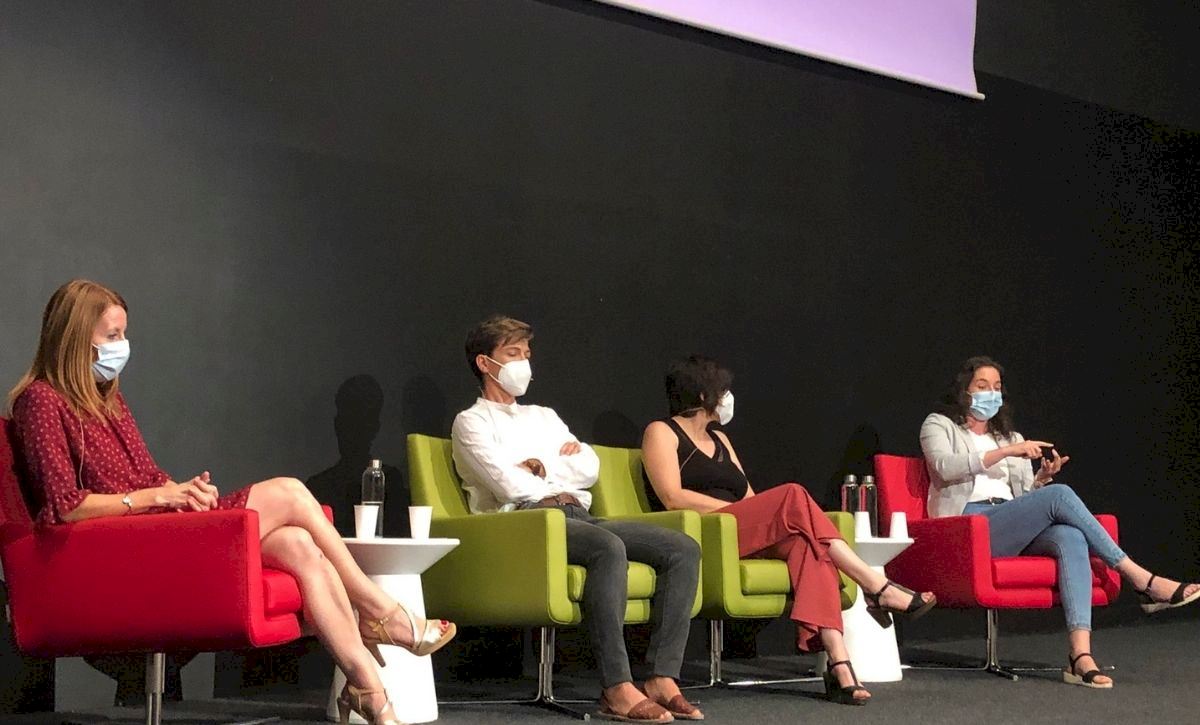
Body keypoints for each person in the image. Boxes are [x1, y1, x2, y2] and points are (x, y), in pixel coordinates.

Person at [9, 280, 455, 725]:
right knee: (290, 491)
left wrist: (183, 490)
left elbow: (149, 477)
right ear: (76, 338)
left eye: (124, 334)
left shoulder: (107, 399)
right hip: (123, 548)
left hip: (155, 529)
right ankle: (378, 610)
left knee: (299, 544)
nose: (122, 345)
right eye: (112, 336)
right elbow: (64, 506)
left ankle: (369, 692)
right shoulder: (40, 401)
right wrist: (159, 496)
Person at [641, 355, 936, 706]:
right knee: (792, 494)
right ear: (703, 394)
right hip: (704, 533)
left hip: (740, 529)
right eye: (722, 390)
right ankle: (874, 585)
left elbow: (749, 497)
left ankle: (839, 663)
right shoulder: (662, 431)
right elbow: (672, 496)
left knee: (808, 545)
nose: (727, 397)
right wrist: (734, 514)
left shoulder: (719, 438)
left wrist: (757, 514)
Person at [452, 316, 703, 723]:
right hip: (525, 523)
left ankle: (661, 677)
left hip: (578, 513)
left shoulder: (544, 416)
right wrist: (548, 465)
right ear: (484, 363)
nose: (524, 363)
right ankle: (616, 687)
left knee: (682, 548)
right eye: (512, 354)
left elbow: (589, 468)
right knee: (608, 547)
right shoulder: (472, 422)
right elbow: (508, 486)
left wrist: (538, 465)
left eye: (527, 354)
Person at [921, 355, 1200, 689]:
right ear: (963, 390)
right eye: (982, 386)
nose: (990, 393)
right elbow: (944, 467)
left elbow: (1022, 498)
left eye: (996, 387)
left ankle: (1080, 656)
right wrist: (1007, 453)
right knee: (1060, 495)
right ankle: (1141, 579)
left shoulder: (1010, 436)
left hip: (1006, 520)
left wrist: (1040, 480)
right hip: (968, 525)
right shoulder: (939, 425)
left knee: (1070, 536)